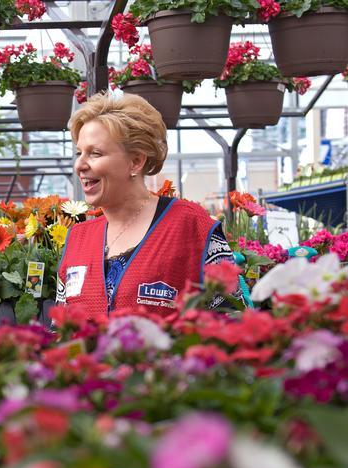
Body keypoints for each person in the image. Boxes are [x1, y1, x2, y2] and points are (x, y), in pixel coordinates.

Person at [57, 92, 240, 315]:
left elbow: (232, 316)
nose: (79, 165)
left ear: (136, 161)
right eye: (79, 153)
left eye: (95, 153)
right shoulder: (78, 238)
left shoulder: (190, 225)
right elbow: (61, 327)